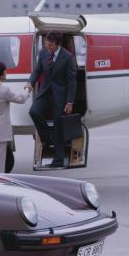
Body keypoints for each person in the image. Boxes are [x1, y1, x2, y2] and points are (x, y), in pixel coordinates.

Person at [25, 31, 76, 167]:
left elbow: (72, 81)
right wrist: (30, 82)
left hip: (60, 95)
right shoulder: (43, 53)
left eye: (51, 44)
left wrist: (70, 101)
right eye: (47, 43)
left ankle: (58, 160)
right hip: (45, 91)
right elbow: (37, 70)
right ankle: (48, 136)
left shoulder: (68, 57)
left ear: (57, 44)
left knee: (59, 125)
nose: (48, 46)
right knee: (34, 112)